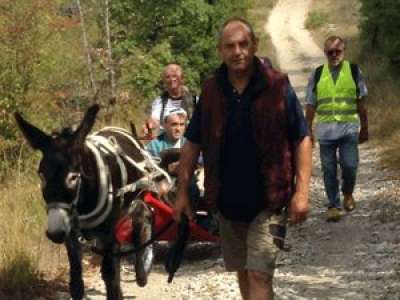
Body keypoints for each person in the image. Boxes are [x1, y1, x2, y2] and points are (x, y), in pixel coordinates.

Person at [173, 17, 312, 300]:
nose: (237, 51)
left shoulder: (277, 86)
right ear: (220, 50)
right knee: (243, 272)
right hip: (227, 202)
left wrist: (302, 191)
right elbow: (192, 142)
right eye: (230, 46)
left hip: (269, 199)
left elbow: (302, 137)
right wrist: (181, 192)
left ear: (254, 46)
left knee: (259, 273)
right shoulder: (211, 90)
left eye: (243, 44)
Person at [305, 35, 368, 222]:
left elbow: (362, 102)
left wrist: (365, 128)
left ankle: (348, 193)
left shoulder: (355, 71)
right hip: (325, 132)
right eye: (330, 52)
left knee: (350, 165)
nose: (334, 55)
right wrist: (307, 130)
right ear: (325, 53)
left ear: (344, 51)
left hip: (348, 129)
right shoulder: (317, 74)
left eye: (337, 51)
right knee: (329, 169)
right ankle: (333, 204)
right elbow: (310, 104)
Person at [143, 63, 196, 136]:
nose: (171, 79)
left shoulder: (195, 101)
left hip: (188, 142)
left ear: (182, 79)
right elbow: (155, 120)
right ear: (164, 81)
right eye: (168, 77)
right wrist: (150, 124)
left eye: (175, 76)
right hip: (165, 144)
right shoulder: (159, 101)